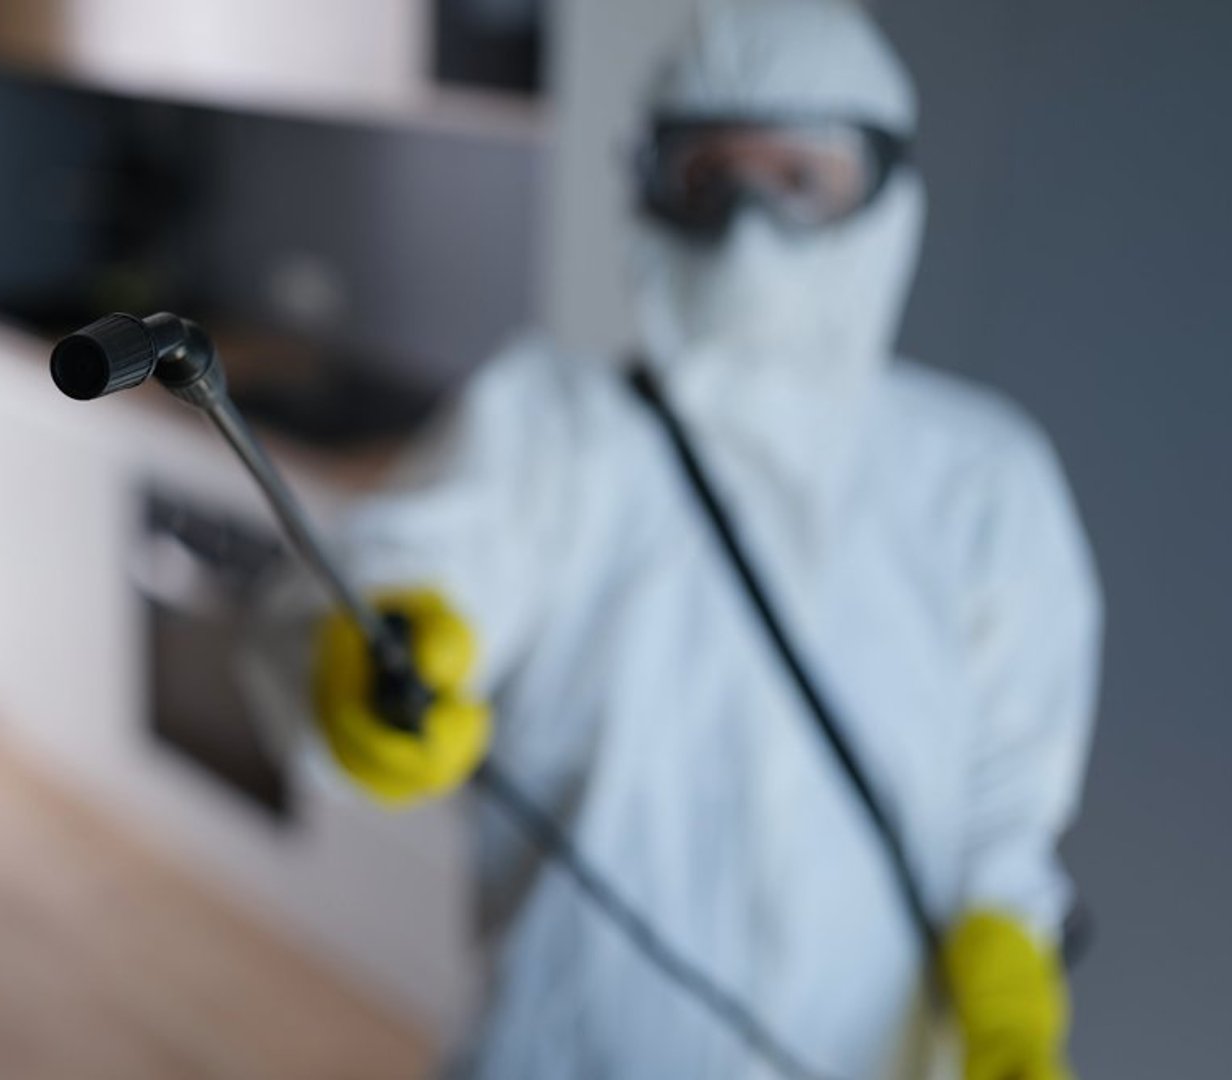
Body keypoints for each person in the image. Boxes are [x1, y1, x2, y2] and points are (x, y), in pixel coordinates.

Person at [308, 0, 1101, 1076]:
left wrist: (1007, 983)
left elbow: (1004, 807)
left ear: (883, 192)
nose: (750, 227)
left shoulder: (983, 480)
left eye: (801, 178)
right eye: (711, 176)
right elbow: (411, 567)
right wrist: (381, 650)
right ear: (651, 185)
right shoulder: (548, 428)